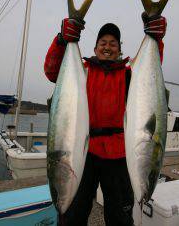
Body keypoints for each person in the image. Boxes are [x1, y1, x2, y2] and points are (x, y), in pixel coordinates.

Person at [44, 13, 166, 226]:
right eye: (103, 42)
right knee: (73, 214)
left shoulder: (130, 75)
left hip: (119, 154)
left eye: (113, 43)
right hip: (84, 153)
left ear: (119, 49)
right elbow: (52, 71)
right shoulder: (82, 71)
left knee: (120, 217)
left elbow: (151, 76)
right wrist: (62, 40)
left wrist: (156, 38)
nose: (107, 47)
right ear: (95, 47)